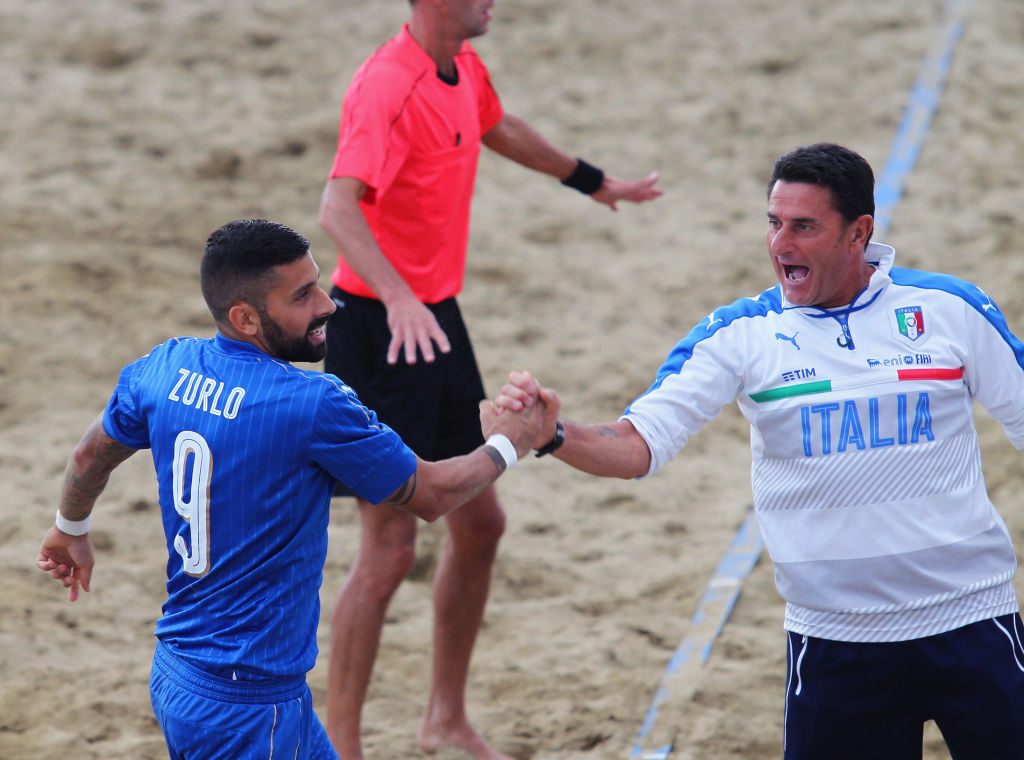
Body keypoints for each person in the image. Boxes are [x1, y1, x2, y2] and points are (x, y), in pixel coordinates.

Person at [496, 143, 1024, 759]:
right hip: (835, 643)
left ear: (858, 233)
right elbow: (638, 445)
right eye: (774, 223)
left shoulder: (948, 309)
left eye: (804, 227)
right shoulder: (740, 334)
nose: (780, 244)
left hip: (970, 623)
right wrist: (554, 435)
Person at [36, 219, 543, 760]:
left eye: (318, 283)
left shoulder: (161, 367)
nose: (328, 304)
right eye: (303, 296)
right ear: (246, 317)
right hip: (251, 704)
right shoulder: (312, 404)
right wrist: (509, 442)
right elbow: (433, 494)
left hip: (179, 674)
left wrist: (71, 527)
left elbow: (91, 454)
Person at [315, 1, 662, 758]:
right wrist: (401, 297)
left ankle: (444, 718)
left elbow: (492, 125)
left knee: (481, 524)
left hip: (433, 315)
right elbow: (336, 207)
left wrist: (590, 180)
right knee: (389, 550)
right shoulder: (386, 86)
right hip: (380, 325)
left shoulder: (461, 66)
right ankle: (340, 745)